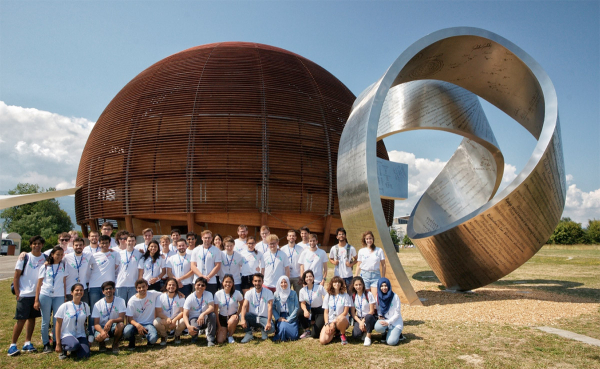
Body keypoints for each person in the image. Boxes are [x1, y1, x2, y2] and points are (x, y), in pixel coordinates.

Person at [8, 235, 47, 356]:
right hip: (24, 294)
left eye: (39, 244)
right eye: (34, 244)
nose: (37, 246)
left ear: (42, 245)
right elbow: (16, 276)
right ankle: (13, 345)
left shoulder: (45, 257)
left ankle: (27, 342)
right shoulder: (25, 257)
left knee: (32, 319)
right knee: (21, 319)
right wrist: (18, 293)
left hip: (36, 294)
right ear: (31, 245)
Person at [35, 245, 68, 353]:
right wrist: (36, 300)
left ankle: (55, 341)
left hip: (58, 295)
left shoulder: (63, 265)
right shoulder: (45, 267)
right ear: (52, 255)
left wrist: (64, 297)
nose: (59, 257)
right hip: (45, 295)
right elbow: (39, 285)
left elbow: (64, 283)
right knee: (45, 321)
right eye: (57, 254)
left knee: (57, 320)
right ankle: (45, 343)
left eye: (61, 255)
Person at [88, 235, 121, 340]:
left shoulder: (114, 254)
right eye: (102, 243)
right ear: (99, 243)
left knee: (109, 310)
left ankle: (108, 332)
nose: (104, 245)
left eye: (106, 243)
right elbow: (89, 269)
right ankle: (92, 333)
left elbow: (116, 267)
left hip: (108, 286)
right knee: (94, 310)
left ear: (109, 244)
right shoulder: (93, 256)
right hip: (94, 286)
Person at [54, 283, 91, 360]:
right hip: (67, 334)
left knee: (85, 355)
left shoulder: (85, 306)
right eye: (76, 290)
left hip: (80, 335)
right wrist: (58, 343)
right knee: (74, 345)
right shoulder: (65, 306)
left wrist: (87, 338)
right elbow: (58, 324)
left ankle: (74, 348)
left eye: (81, 290)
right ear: (71, 292)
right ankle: (64, 349)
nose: (79, 292)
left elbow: (84, 322)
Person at [123, 279, 162, 349]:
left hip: (149, 324)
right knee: (126, 331)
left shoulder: (153, 294)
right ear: (136, 289)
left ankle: (149, 340)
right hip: (135, 324)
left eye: (143, 287)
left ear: (147, 287)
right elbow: (130, 319)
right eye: (139, 288)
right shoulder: (132, 301)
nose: (142, 289)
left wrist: (179, 293)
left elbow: (166, 294)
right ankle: (132, 341)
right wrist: (138, 325)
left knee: (153, 339)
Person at [91, 281, 125, 353]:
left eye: (110, 288)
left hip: (113, 325)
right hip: (102, 327)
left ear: (114, 290)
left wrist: (111, 321)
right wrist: (102, 332)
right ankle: (102, 344)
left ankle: (115, 343)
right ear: (103, 292)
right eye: (106, 289)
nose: (108, 290)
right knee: (98, 337)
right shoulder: (97, 304)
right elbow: (96, 323)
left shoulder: (121, 301)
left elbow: (122, 318)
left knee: (121, 325)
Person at [240, 273, 274, 343]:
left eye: (259, 281)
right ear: (252, 282)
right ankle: (249, 333)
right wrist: (243, 319)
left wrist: (268, 322)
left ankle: (263, 330)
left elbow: (270, 307)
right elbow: (244, 306)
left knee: (272, 329)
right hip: (253, 317)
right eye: (255, 281)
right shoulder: (248, 293)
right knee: (242, 315)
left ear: (262, 282)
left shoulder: (269, 292)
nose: (257, 283)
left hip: (264, 318)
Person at [183, 277, 217, 347]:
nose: (200, 287)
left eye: (203, 285)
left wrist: (202, 314)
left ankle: (210, 339)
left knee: (212, 315)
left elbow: (211, 307)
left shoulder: (209, 294)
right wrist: (188, 326)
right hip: (194, 318)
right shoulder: (190, 298)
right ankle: (194, 336)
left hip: (205, 317)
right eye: (198, 285)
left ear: (205, 287)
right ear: (194, 285)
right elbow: (185, 314)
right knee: (193, 331)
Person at [320, 276, 351, 345]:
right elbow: (326, 312)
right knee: (323, 341)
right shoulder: (328, 296)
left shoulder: (345, 296)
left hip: (341, 321)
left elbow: (345, 312)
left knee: (341, 318)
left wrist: (334, 322)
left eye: (339, 282)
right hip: (330, 322)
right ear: (332, 284)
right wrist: (327, 324)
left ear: (341, 284)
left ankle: (342, 335)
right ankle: (335, 333)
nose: (337, 284)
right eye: (335, 282)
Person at [154, 277, 186, 345]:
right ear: (166, 286)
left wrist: (174, 320)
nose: (171, 286)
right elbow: (158, 312)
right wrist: (167, 318)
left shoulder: (181, 297)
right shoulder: (160, 297)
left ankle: (177, 335)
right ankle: (164, 336)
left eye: (173, 285)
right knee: (156, 322)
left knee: (184, 321)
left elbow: (182, 312)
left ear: (176, 286)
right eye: (169, 285)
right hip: (165, 320)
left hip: (176, 320)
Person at [374, 278, 405, 345]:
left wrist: (388, 322)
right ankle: (384, 333)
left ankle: (399, 334)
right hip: (385, 319)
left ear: (389, 286)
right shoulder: (378, 296)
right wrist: (380, 315)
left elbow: (397, 314)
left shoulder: (395, 297)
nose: (384, 288)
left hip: (395, 321)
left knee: (391, 342)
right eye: (381, 286)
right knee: (377, 327)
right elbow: (378, 309)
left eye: (385, 286)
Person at [213, 274, 244, 344]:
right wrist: (219, 326)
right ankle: (225, 331)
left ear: (233, 283)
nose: (228, 284)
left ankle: (230, 335)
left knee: (232, 321)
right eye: (226, 282)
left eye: (230, 282)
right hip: (222, 317)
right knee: (220, 340)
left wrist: (237, 314)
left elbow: (242, 304)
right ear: (222, 283)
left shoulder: (237, 293)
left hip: (232, 316)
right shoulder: (218, 294)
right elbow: (215, 310)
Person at [64, 237, 96, 302]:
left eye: (80, 245)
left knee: (84, 309)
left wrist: (110, 250)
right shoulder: (66, 257)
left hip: (83, 289)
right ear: (73, 246)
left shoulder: (88, 255)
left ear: (84, 246)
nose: (78, 247)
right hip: (70, 290)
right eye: (76, 245)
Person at [356, 231, 386, 298]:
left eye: (370, 238)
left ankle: (374, 308)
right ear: (365, 240)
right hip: (364, 275)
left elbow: (383, 265)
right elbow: (358, 265)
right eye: (367, 239)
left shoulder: (379, 250)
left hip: (376, 276)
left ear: (373, 239)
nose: (369, 240)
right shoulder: (361, 251)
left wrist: (383, 277)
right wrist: (356, 276)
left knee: (375, 298)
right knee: (366, 297)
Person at [190, 230, 222, 295]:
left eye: (209, 238)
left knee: (210, 300)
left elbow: (218, 265)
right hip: (198, 280)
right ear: (202, 238)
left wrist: (208, 277)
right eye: (205, 238)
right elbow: (193, 265)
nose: (207, 239)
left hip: (211, 280)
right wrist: (201, 276)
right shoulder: (196, 250)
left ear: (211, 238)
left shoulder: (216, 250)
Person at [298, 270, 326, 339]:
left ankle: (320, 324)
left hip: (320, 311)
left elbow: (327, 297)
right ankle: (307, 330)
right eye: (306, 277)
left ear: (313, 278)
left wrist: (326, 308)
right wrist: (305, 310)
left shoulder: (319, 287)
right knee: (299, 312)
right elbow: (302, 303)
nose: (308, 278)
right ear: (304, 279)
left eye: (310, 276)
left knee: (314, 335)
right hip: (310, 310)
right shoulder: (302, 290)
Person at [349, 276, 377, 346]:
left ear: (363, 285)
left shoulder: (368, 294)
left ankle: (368, 336)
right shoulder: (353, 296)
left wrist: (363, 321)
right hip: (359, 319)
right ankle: (364, 330)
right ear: (353, 286)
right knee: (356, 335)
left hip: (368, 318)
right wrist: (360, 322)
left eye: (360, 284)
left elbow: (371, 311)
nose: (358, 286)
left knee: (368, 317)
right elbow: (353, 313)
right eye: (356, 285)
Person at [116, 234, 143, 303]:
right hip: (121, 284)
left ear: (135, 242)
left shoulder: (139, 254)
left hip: (133, 284)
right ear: (126, 241)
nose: (131, 242)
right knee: (120, 305)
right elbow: (115, 267)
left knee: (132, 305)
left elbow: (141, 270)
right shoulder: (119, 253)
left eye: (132, 241)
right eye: (129, 241)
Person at [272, 275, 299, 342]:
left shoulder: (293, 293)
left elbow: (296, 307)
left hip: (291, 316)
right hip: (281, 316)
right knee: (283, 327)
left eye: (285, 282)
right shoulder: (276, 294)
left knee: (294, 336)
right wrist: (278, 318)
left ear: (288, 283)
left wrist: (290, 318)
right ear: (279, 283)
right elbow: (272, 308)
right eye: (281, 282)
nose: (283, 284)